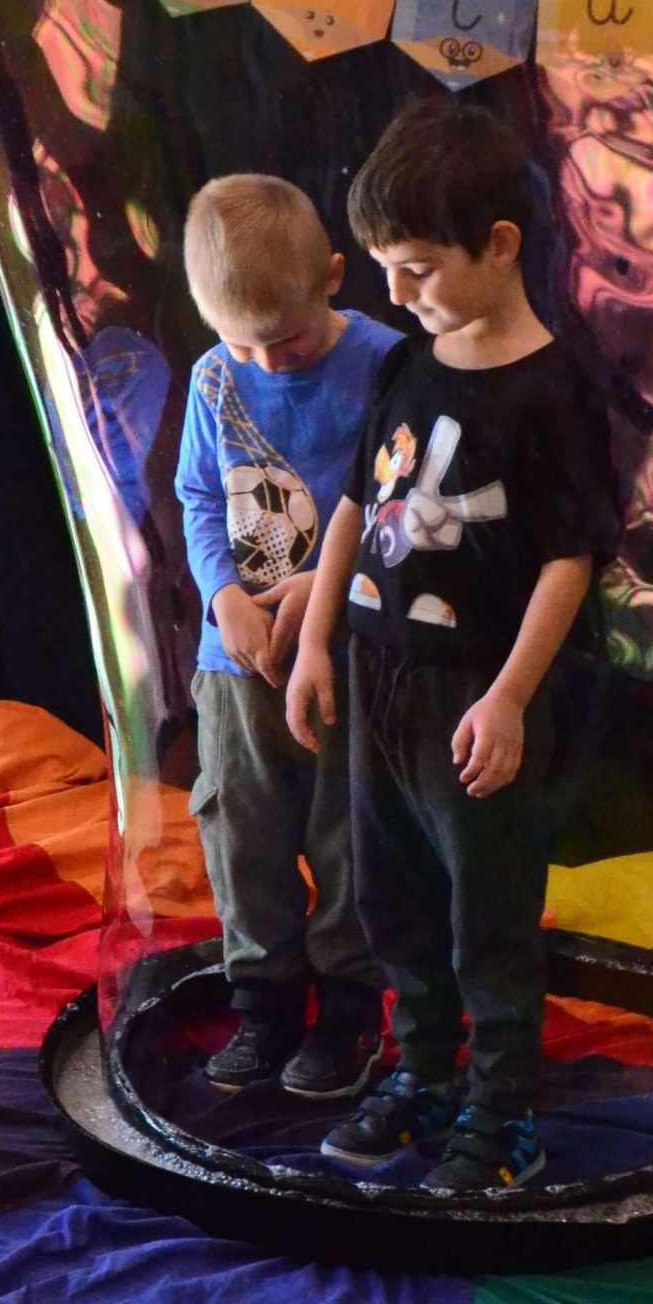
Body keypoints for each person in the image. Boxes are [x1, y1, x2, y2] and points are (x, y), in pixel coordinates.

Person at [286, 101, 620, 1192]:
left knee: (487, 908)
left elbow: (569, 558)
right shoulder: (403, 364)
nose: (396, 293)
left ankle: (503, 1105)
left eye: (419, 268)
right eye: (386, 267)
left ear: (500, 244)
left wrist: (511, 696)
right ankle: (425, 1073)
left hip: (477, 694)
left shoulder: (554, 390)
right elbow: (355, 504)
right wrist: (314, 644)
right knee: (392, 897)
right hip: (378, 681)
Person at [176, 175, 399, 1096]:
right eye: (243, 344)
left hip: (350, 656)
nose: (267, 363)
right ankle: (263, 1002)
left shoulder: (386, 365)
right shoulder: (213, 377)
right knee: (243, 828)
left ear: (334, 277)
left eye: (290, 341)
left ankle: (349, 1010)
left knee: (348, 830)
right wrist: (223, 595)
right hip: (238, 662)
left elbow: (404, 509)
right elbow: (199, 497)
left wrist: (326, 586)